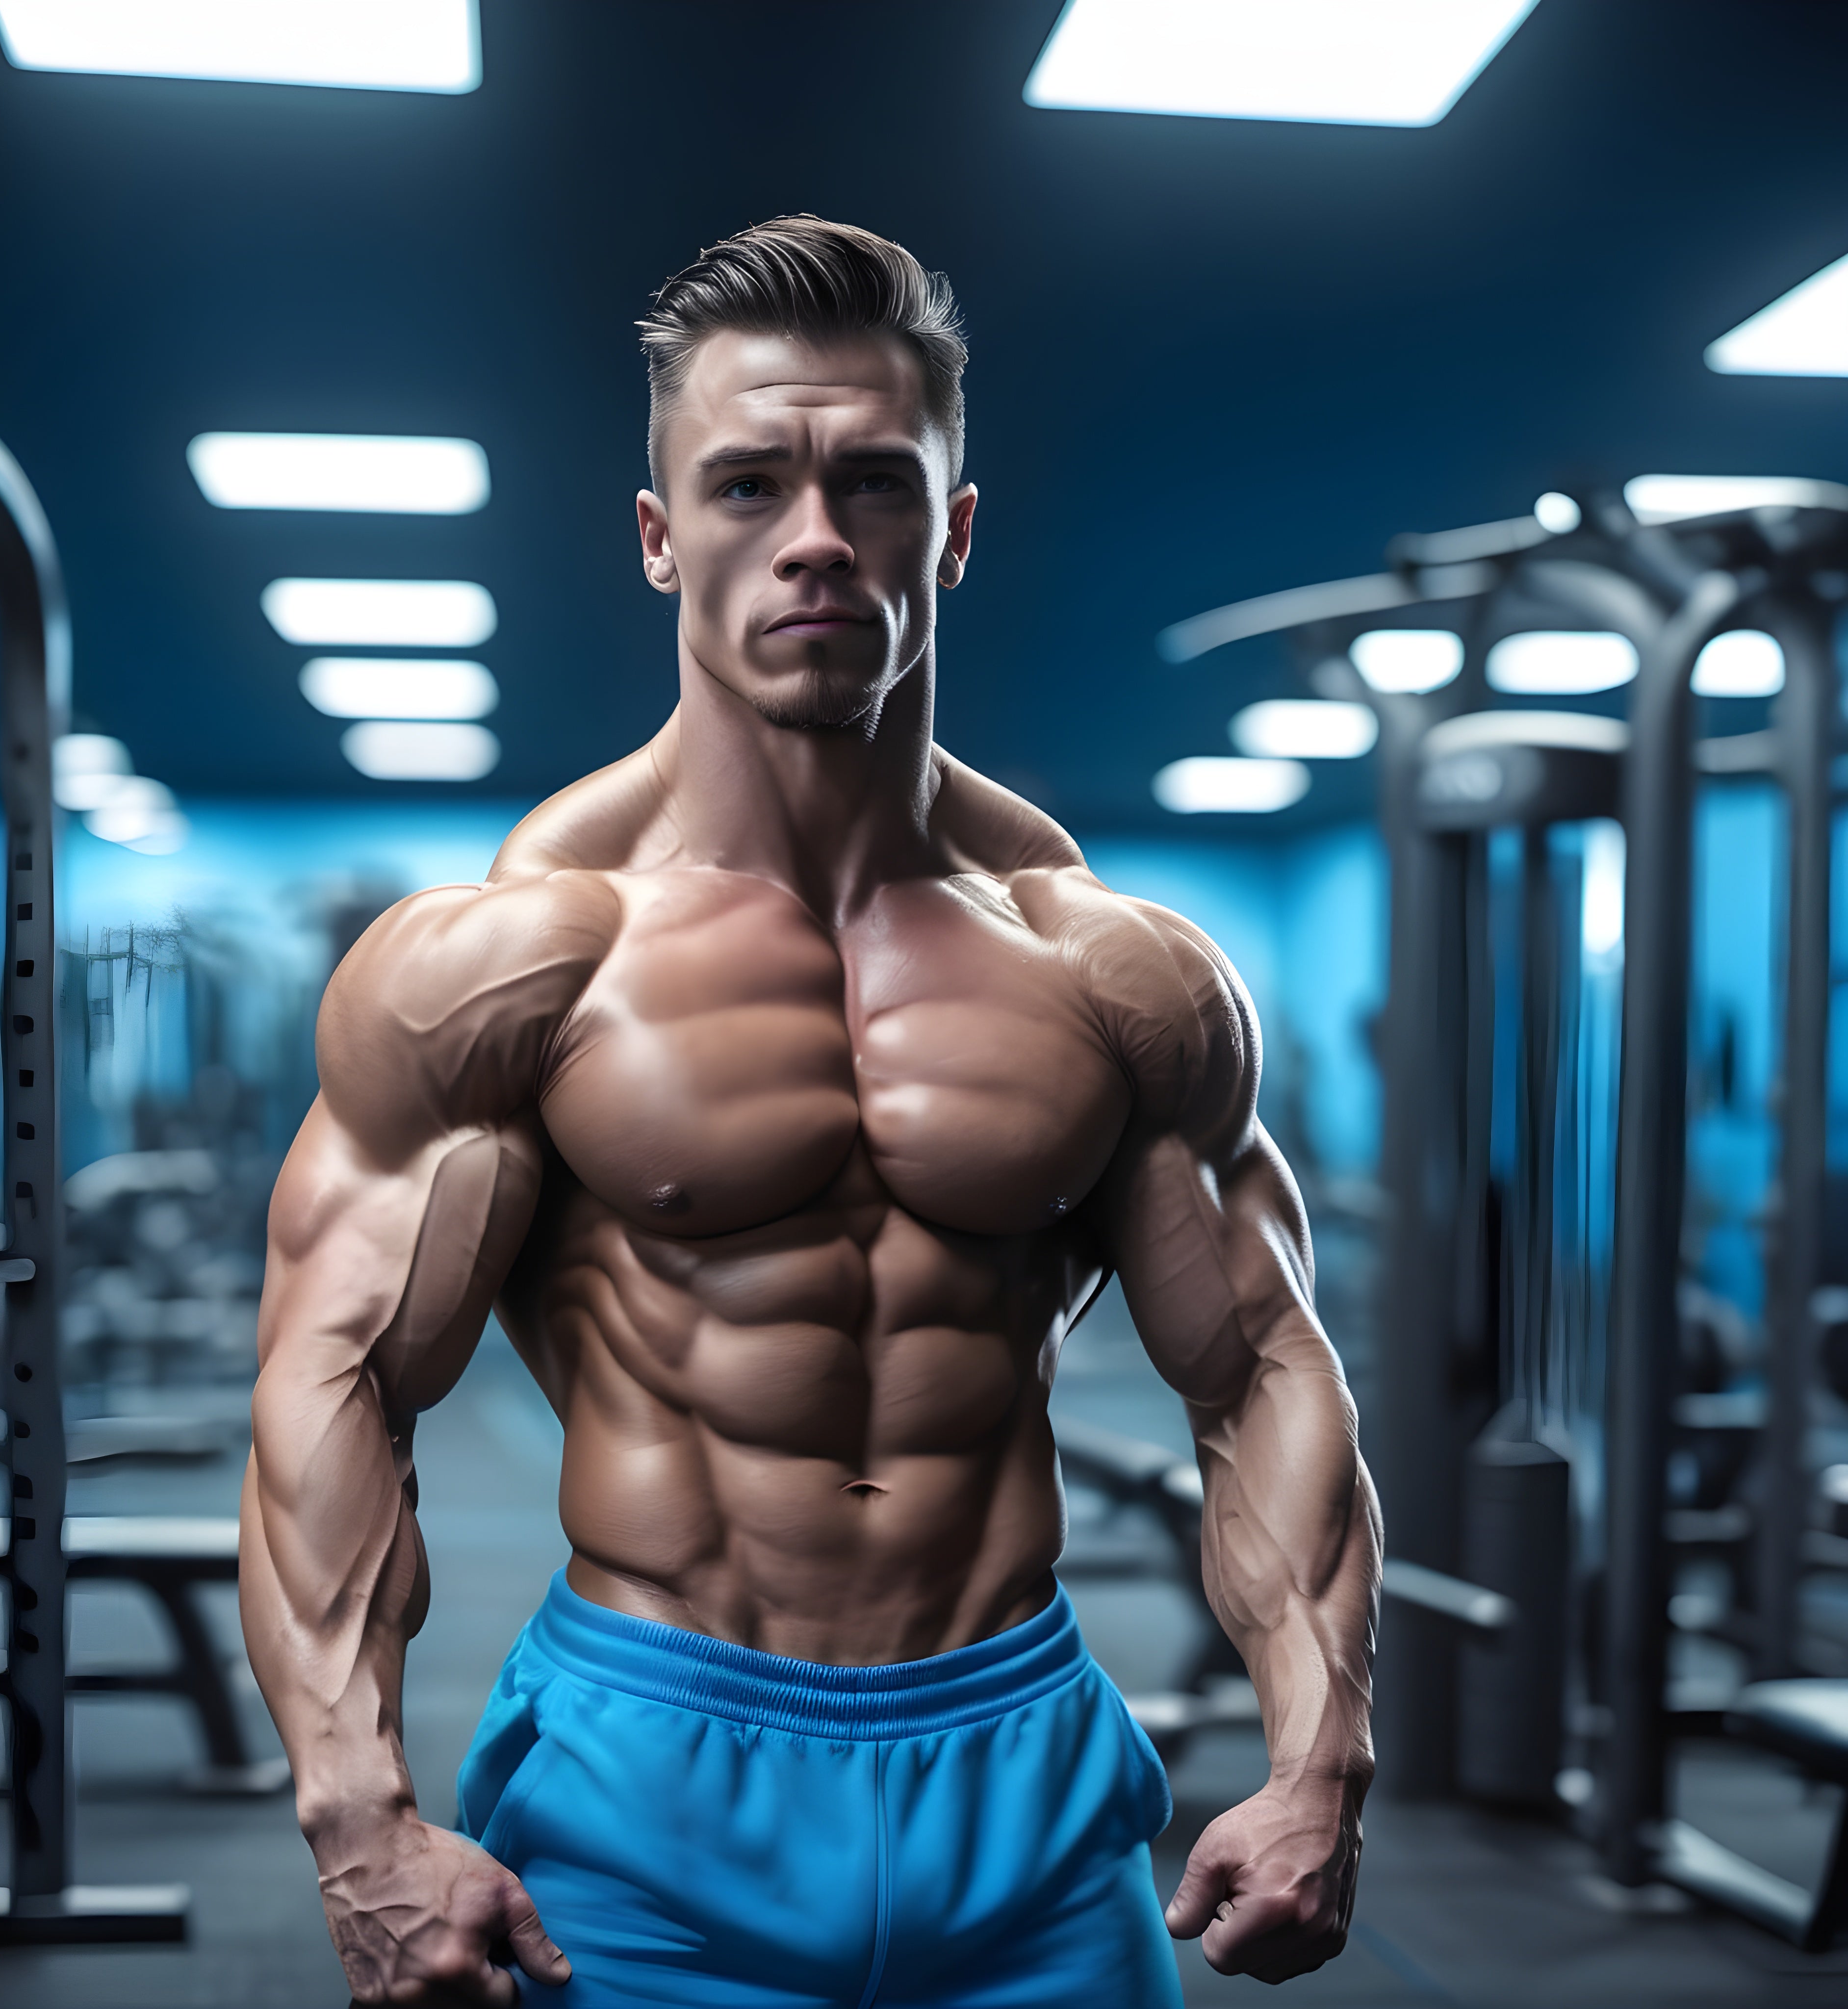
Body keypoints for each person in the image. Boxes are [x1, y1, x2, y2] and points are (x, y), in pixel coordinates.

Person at [240, 216, 1381, 2008]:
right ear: (656, 534)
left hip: (1025, 1772)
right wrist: (354, 1813)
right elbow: (335, 1379)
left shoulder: (1113, 970)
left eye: (876, 483)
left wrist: (1322, 1756)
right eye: (748, 483)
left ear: (959, 523)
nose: (817, 542)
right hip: (649, 1788)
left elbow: (1256, 1364)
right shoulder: (518, 959)